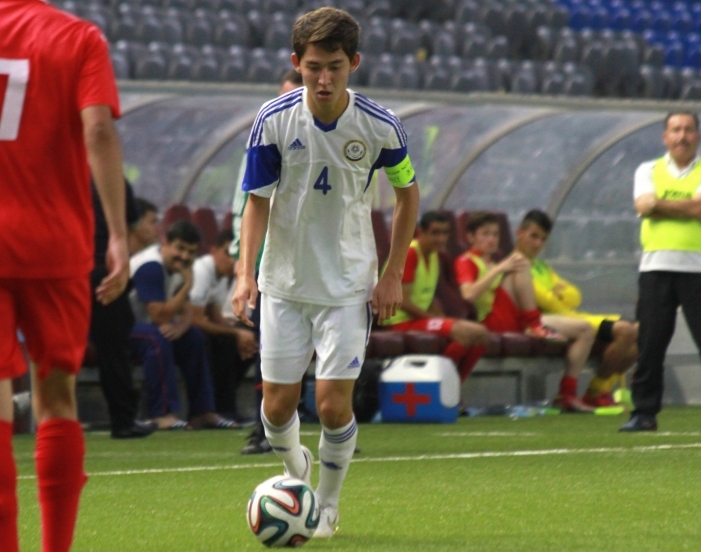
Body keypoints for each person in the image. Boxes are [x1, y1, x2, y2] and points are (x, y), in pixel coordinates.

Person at [232, 7, 420, 538]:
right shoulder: (273, 120)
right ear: (297, 62)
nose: (323, 78)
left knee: (334, 407)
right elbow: (256, 201)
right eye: (313, 66)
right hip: (284, 284)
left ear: (353, 63)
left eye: (334, 66)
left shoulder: (381, 126)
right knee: (275, 411)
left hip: (347, 286)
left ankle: (328, 507)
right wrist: (245, 274)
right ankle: (298, 475)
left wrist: (392, 273)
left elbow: (408, 196)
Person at [0, 2, 129, 550]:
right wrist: (118, 232)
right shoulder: (77, 38)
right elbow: (97, 129)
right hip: (54, 243)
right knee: (56, 396)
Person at [622, 111, 701, 433]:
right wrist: (693, 210)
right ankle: (644, 414)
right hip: (655, 269)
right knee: (650, 345)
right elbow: (645, 206)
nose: (682, 136)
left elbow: (696, 206)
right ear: (665, 137)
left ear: (698, 136)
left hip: (699, 270)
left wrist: (661, 205)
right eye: (676, 130)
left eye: (688, 130)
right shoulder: (647, 170)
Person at [230, 69, 305, 455]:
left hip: (314, 262)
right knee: (269, 346)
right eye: (282, 96)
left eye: (293, 96)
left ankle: (330, 424)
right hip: (268, 265)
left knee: (319, 349)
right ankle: (265, 429)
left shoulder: (335, 137)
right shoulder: (264, 138)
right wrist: (241, 262)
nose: (285, 104)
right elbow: (244, 203)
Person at [514, 209, 640, 409]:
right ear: (519, 233)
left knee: (640, 331)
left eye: (543, 239)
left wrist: (558, 295)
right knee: (625, 331)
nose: (537, 244)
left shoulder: (541, 266)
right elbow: (547, 302)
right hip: (546, 320)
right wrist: (557, 294)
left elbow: (575, 295)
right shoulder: (516, 265)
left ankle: (601, 390)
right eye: (533, 236)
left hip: (569, 316)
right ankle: (594, 392)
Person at [129, 220, 239, 430]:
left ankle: (203, 412)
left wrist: (179, 329)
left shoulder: (179, 268)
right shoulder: (151, 266)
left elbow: (187, 311)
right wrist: (188, 284)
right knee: (157, 338)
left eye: (191, 252)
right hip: (121, 329)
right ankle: (162, 414)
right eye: (180, 248)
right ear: (165, 243)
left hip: (146, 328)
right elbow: (160, 316)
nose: (185, 256)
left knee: (194, 337)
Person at [381, 211, 490, 382]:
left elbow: (426, 297)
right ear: (421, 233)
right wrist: (434, 319)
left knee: (481, 334)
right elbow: (402, 301)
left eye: (445, 233)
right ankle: (440, 384)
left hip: (416, 320)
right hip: (398, 322)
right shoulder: (409, 254)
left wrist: (443, 318)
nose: (441, 238)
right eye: (435, 233)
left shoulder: (434, 256)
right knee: (464, 333)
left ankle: (453, 384)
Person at [90, 179, 157, 439]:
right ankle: (123, 419)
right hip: (107, 270)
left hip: (67, 268)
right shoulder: (115, 182)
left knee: (60, 349)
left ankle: (53, 419)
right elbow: (131, 223)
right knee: (115, 349)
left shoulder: (64, 174)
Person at [454, 212, 565, 350]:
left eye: (495, 235)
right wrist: (499, 269)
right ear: (471, 237)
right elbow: (468, 295)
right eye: (485, 234)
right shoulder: (466, 261)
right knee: (520, 262)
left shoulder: (493, 263)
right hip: (489, 321)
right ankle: (535, 324)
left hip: (509, 315)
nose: (491, 239)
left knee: (519, 263)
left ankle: (534, 324)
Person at [190, 229, 258, 421]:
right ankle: (220, 408)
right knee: (224, 342)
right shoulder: (202, 270)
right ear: (214, 250)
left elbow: (216, 317)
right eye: (228, 253)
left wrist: (241, 334)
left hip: (193, 328)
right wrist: (236, 334)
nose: (231, 260)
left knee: (248, 341)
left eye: (236, 256)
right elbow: (195, 319)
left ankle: (225, 406)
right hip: (178, 328)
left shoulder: (220, 276)